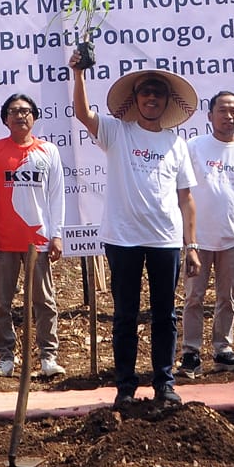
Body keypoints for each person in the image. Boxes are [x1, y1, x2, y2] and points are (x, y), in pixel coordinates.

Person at [70, 55, 201, 409]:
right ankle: (125, 387)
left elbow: (186, 198)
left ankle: (165, 383)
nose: (152, 98)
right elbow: (83, 113)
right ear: (136, 99)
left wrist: (191, 245)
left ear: (167, 102)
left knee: (165, 316)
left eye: (158, 93)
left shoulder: (177, 144)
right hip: (122, 238)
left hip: (166, 240)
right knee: (125, 315)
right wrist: (78, 73)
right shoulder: (117, 131)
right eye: (146, 93)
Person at [0, 92, 66, 379]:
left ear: (35, 117)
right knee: (1, 302)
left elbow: (56, 197)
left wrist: (57, 235)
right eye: (14, 111)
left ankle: (48, 356)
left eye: (26, 111)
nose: (20, 115)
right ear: (5, 119)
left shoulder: (48, 151)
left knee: (44, 301)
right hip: (3, 241)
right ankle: (5, 357)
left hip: (38, 241)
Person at [180, 90, 234, 377]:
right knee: (194, 297)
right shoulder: (193, 147)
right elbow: (182, 192)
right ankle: (190, 353)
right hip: (198, 239)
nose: (229, 116)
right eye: (223, 111)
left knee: (227, 297)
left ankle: (222, 349)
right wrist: (186, 237)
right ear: (210, 116)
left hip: (232, 238)